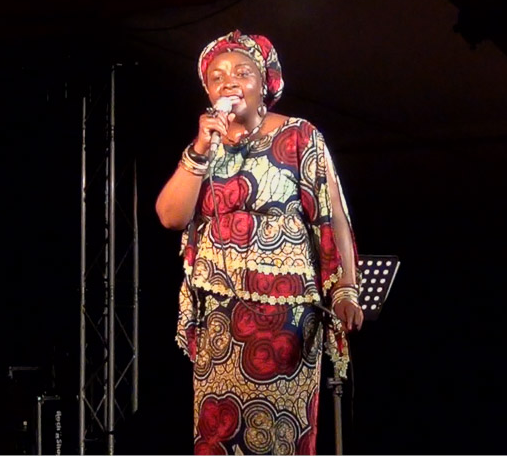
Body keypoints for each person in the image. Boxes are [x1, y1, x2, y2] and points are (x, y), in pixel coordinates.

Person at [155, 30, 363, 455]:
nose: (228, 82)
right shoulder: (205, 146)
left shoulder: (299, 135)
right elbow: (170, 216)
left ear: (264, 82)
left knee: (276, 433)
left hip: (285, 314)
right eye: (217, 77)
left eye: (241, 73)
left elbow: (332, 216)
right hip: (219, 316)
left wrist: (346, 288)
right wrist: (199, 150)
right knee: (218, 435)